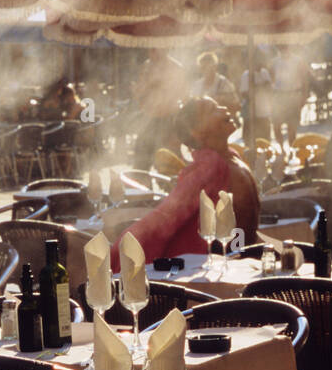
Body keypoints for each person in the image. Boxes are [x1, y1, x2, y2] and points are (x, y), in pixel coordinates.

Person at [111, 96, 259, 269]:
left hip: (238, 261)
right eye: (213, 109)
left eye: (219, 105)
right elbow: (167, 216)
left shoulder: (230, 157)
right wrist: (123, 249)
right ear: (197, 132)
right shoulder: (208, 167)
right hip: (219, 264)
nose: (224, 109)